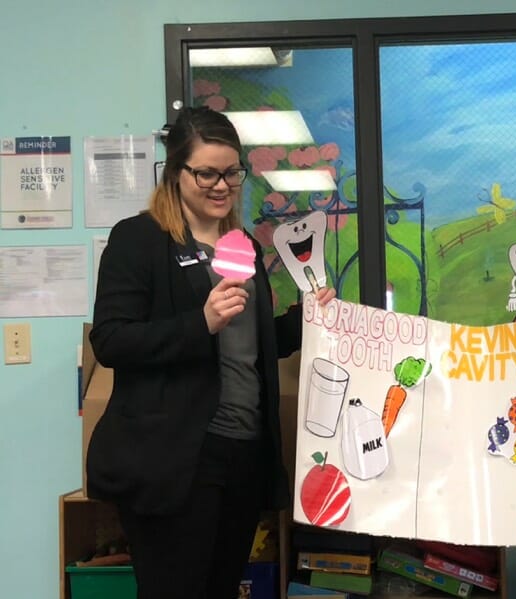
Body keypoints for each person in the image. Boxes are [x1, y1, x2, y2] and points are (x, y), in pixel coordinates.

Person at [86, 106, 335, 599]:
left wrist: (306, 319)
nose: (221, 185)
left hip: (243, 455)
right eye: (206, 173)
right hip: (176, 459)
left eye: (231, 173)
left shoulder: (241, 245)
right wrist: (199, 322)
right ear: (175, 173)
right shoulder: (139, 240)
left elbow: (254, 348)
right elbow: (111, 340)